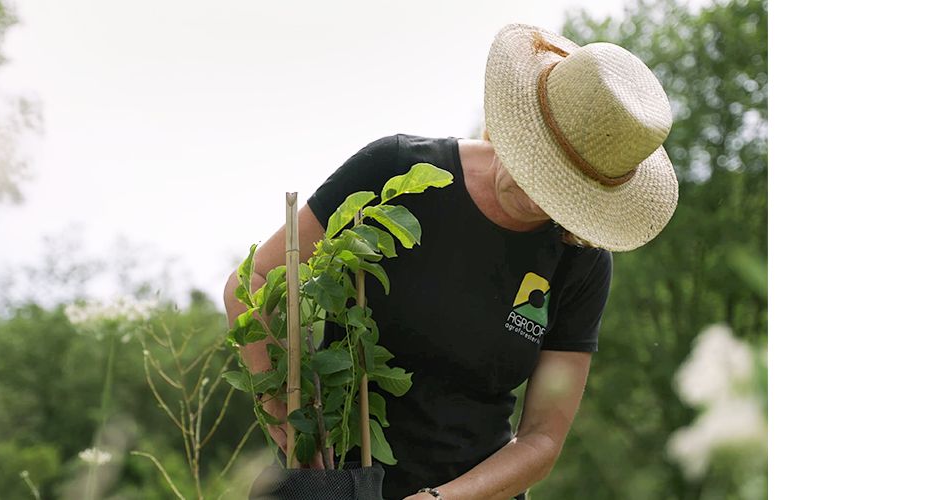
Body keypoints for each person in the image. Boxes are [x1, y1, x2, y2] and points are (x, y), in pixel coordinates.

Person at [223, 24, 678, 500]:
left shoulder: (580, 261)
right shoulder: (396, 172)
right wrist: (283, 408)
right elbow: (251, 281)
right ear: (516, 124)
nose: (537, 196)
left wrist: (444, 499)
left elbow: (543, 438)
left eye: (563, 192)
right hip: (336, 483)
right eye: (535, 165)